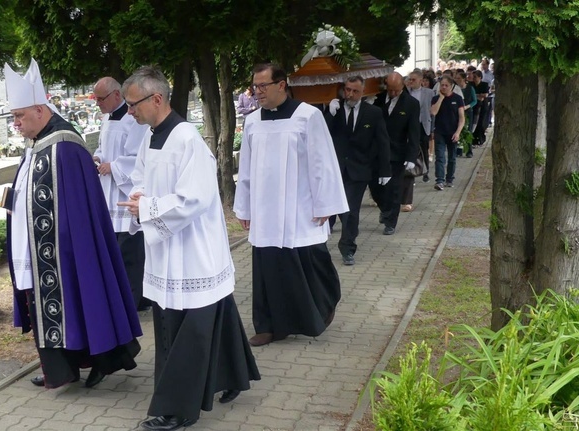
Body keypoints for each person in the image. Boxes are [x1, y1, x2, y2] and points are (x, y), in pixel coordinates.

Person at [117, 66, 260, 431]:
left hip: (194, 251)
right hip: (167, 250)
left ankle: (178, 410)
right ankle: (230, 375)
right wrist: (138, 197)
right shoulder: (151, 137)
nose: (129, 112)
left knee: (187, 331)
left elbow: (193, 199)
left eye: (133, 104)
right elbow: (139, 179)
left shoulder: (187, 140)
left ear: (157, 99)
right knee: (202, 317)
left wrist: (147, 209)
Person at [4, 59, 142, 389]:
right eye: (13, 118)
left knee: (84, 302)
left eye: (19, 116)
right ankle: (60, 369)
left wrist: (68, 245)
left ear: (40, 109)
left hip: (64, 247)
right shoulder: (37, 142)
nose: (16, 124)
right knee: (49, 306)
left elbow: (78, 206)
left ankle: (102, 361)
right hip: (39, 248)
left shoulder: (65, 144)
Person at [233, 63, 349, 347]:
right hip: (264, 209)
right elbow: (245, 168)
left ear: (281, 84)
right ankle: (269, 325)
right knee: (268, 268)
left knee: (309, 263)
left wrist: (325, 203)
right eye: (254, 87)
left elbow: (323, 162)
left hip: (301, 207)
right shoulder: (252, 121)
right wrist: (244, 208)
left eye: (263, 86)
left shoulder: (307, 116)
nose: (257, 92)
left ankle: (323, 305)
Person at [92, 76, 151, 311]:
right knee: (116, 249)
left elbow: (139, 155)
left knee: (130, 252)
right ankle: (123, 298)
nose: (98, 103)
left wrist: (114, 166)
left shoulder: (133, 120)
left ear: (117, 95)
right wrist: (98, 156)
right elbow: (102, 146)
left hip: (125, 192)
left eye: (101, 98)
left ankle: (134, 301)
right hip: (109, 191)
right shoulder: (106, 119)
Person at [324, 76, 391, 265]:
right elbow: (322, 134)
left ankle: (347, 248)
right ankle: (321, 244)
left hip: (359, 169)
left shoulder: (373, 113)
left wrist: (385, 170)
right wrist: (329, 113)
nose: (350, 94)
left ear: (363, 92)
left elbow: (382, 141)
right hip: (335, 169)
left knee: (351, 211)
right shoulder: (334, 110)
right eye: (347, 90)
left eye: (355, 91)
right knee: (332, 208)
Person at [371, 72, 420, 235]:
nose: (392, 94)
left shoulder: (411, 104)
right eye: (390, 90)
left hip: (397, 152)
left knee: (394, 188)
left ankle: (390, 221)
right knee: (375, 187)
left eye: (396, 90)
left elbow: (414, 131)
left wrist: (411, 156)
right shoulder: (377, 100)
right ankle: (385, 209)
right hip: (376, 151)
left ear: (402, 86)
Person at [431, 76, 465, 190]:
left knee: (452, 157)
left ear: (452, 86)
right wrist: (441, 98)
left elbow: (461, 118)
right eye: (442, 85)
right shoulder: (436, 98)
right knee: (440, 157)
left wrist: (458, 132)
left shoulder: (458, 98)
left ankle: (449, 178)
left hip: (453, 132)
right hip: (440, 131)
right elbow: (433, 112)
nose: (444, 87)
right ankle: (439, 180)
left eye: (446, 85)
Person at [407, 69, 434, 189]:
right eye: (410, 79)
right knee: (411, 148)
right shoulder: (406, 92)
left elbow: (433, 110)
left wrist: (432, 126)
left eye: (413, 80)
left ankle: (425, 171)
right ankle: (411, 173)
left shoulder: (429, 93)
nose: (411, 82)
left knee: (424, 148)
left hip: (423, 124)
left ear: (420, 80)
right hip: (410, 125)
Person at [454, 71, 477, 157]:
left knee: (468, 130)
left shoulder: (470, 88)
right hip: (457, 112)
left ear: (464, 79)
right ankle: (459, 150)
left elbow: (475, 100)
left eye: (459, 78)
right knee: (458, 129)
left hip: (467, 111)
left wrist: (467, 106)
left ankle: (469, 150)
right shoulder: (455, 88)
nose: (457, 80)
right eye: (456, 78)